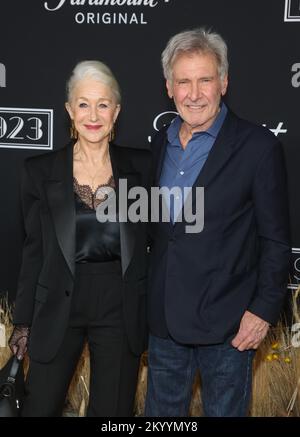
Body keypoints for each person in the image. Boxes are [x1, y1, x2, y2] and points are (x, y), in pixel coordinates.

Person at [145, 28, 291, 417]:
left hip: (229, 326)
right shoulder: (161, 144)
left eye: (205, 79)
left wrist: (262, 311)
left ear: (224, 82)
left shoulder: (259, 148)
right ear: (169, 87)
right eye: (184, 81)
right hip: (165, 323)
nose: (194, 93)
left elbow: (276, 240)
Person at [9, 60, 150, 417]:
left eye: (103, 104)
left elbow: (158, 241)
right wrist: (23, 322)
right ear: (70, 110)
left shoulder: (143, 168)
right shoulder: (38, 172)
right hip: (58, 302)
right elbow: (33, 252)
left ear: (116, 112)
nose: (93, 114)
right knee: (39, 408)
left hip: (119, 304)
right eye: (83, 104)